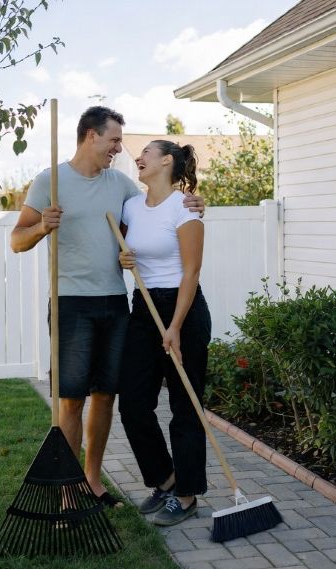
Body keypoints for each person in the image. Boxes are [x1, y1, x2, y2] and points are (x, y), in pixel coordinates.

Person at [10, 107, 205, 507]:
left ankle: (93, 482)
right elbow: (16, 240)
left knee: (106, 397)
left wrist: (196, 203)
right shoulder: (50, 180)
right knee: (71, 400)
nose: (119, 149)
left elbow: (159, 208)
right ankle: (67, 491)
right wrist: (42, 226)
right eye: (114, 140)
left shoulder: (120, 186)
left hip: (118, 304)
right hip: (71, 302)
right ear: (90, 136)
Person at [118, 140, 211, 526]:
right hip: (143, 308)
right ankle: (166, 479)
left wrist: (174, 327)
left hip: (183, 312)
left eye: (146, 154)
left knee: (185, 406)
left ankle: (187, 496)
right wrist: (122, 259)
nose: (138, 159)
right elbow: (122, 252)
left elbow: (191, 271)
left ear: (167, 161)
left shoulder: (185, 207)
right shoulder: (130, 207)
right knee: (133, 403)